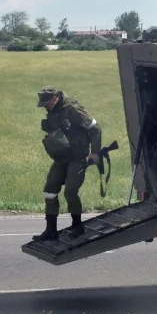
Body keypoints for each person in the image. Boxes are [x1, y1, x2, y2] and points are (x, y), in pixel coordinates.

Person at [33, 85, 103, 240]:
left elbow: (95, 128)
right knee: (49, 190)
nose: (46, 108)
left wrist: (95, 153)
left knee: (70, 192)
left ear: (55, 97)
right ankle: (51, 231)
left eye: (47, 104)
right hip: (61, 158)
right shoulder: (52, 111)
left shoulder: (72, 108)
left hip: (77, 157)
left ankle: (78, 226)